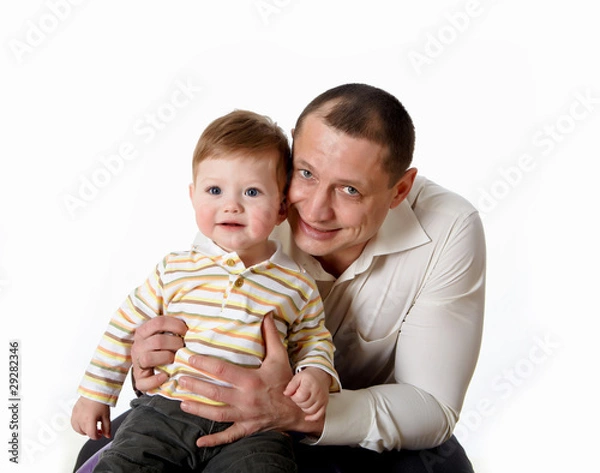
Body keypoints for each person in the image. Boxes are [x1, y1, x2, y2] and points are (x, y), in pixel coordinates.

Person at [74, 83, 486, 473]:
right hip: (212, 408)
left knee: (443, 466)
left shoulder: (449, 227)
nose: (315, 210)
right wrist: (149, 365)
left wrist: (296, 411)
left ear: (399, 190)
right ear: (293, 149)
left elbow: (432, 405)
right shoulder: (247, 200)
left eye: (349, 191)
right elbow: (187, 317)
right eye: (305, 173)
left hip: (350, 427)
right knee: (104, 452)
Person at [71, 109, 341, 473]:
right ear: (193, 196)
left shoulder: (296, 283)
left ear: (280, 208)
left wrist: (316, 375)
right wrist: (95, 394)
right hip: (168, 411)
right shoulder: (175, 268)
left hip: (255, 425)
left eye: (252, 192)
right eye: (214, 190)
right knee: (126, 465)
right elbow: (125, 327)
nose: (231, 204)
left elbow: (314, 340)